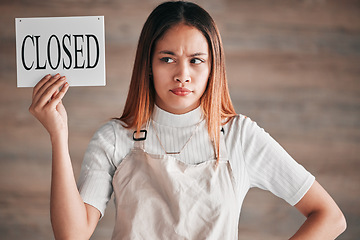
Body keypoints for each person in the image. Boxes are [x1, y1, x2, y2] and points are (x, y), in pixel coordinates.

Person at [29, 1, 346, 239]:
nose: (183, 74)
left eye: (196, 61)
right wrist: (58, 134)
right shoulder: (114, 137)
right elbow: (72, 235)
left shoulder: (240, 136)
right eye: (167, 59)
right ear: (148, 64)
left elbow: (329, 217)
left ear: (213, 68)